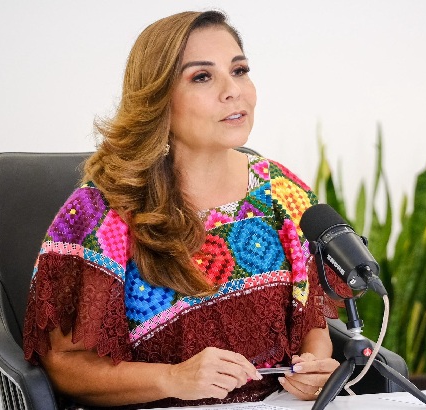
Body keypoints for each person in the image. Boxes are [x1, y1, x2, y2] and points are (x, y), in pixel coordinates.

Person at [22, 10, 342, 409]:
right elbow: (65, 365)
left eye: (239, 70)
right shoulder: (104, 209)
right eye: (202, 77)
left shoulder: (281, 189)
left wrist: (316, 368)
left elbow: (312, 318)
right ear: (158, 99)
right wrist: (173, 379)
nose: (233, 91)